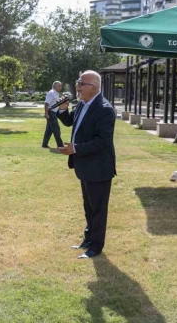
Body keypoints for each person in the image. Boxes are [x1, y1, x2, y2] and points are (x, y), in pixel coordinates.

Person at [57, 71, 116, 259]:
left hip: (99, 168)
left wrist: (76, 148)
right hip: (84, 166)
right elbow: (69, 121)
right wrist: (63, 109)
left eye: (81, 83)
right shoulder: (83, 104)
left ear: (93, 88)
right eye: (78, 83)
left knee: (98, 209)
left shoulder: (104, 109)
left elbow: (102, 142)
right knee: (88, 206)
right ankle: (88, 239)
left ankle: (96, 246)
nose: (77, 86)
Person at [43, 81, 63, 148]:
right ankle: (60, 145)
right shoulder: (51, 93)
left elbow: (54, 103)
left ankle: (44, 144)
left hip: (53, 112)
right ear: (54, 86)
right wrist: (46, 113)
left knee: (49, 130)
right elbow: (46, 103)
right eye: (59, 85)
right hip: (51, 112)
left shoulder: (56, 93)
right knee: (56, 129)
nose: (61, 87)